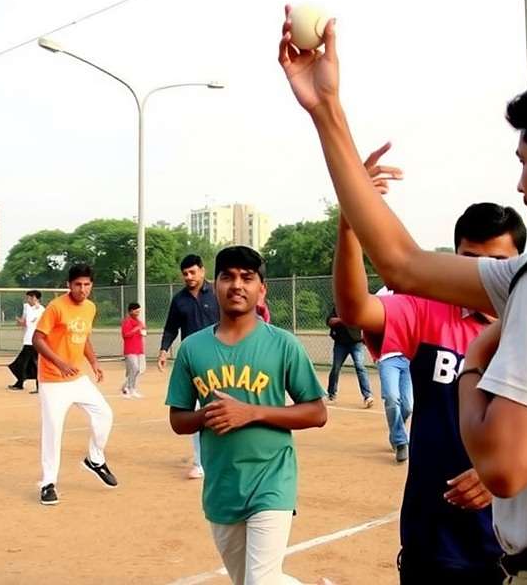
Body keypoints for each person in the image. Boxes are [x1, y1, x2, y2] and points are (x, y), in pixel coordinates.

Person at [280, 14, 527, 582]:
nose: (521, 185)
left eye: (525, 163)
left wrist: (475, 362)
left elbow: (501, 466)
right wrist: (327, 108)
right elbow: (402, 262)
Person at [334, 146, 525, 582]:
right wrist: (350, 223)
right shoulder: (428, 309)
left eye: (497, 263)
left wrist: (499, 473)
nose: (481, 275)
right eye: (468, 260)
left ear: (517, 264)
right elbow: (355, 309)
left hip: (514, 539)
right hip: (433, 537)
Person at [166, 246, 328, 585]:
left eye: (247, 278)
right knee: (246, 581)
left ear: (261, 289)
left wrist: (250, 412)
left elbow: (316, 412)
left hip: (272, 480)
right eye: (228, 276)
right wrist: (208, 415)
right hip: (223, 487)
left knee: (260, 582)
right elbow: (178, 420)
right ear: (216, 284)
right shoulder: (193, 349)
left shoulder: (283, 344)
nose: (237, 285)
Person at [32, 264, 118, 506]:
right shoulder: (56, 307)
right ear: (69, 285)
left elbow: (84, 337)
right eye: (78, 284)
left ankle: (95, 459)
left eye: (87, 284)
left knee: (104, 414)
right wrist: (59, 362)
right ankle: (48, 483)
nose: (83, 289)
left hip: (77, 377)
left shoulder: (90, 308)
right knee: (53, 430)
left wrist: (94, 362)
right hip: (52, 380)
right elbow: (37, 339)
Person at [159, 254, 220, 479]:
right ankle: (200, 462)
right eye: (185, 273)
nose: (189, 277)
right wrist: (164, 350)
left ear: (203, 271)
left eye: (193, 272)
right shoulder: (179, 300)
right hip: (192, 362)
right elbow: (170, 328)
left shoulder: (217, 292)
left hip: (220, 358)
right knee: (195, 410)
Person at [373, 286, 415, 463]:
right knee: (391, 397)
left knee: (408, 406)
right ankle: (400, 442)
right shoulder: (382, 295)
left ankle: (395, 432)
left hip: (411, 357)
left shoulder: (417, 292)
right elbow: (368, 325)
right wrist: (376, 353)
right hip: (388, 356)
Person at [324, 306, 373, 407]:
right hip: (340, 343)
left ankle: (367, 396)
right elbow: (329, 321)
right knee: (335, 368)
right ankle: (331, 394)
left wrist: (365, 337)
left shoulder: (357, 306)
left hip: (356, 342)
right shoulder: (338, 306)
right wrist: (342, 320)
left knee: (360, 367)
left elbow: (365, 321)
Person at [8, 290, 45, 393]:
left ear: (35, 298)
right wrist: (19, 321)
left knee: (32, 363)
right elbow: (24, 323)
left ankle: (37, 386)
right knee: (22, 363)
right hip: (27, 339)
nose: (27, 299)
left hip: (34, 341)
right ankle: (20, 383)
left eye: (29, 297)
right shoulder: (27, 307)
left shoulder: (41, 310)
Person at [121, 302, 148, 399]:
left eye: (138, 311)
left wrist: (142, 330)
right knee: (135, 369)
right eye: (136, 310)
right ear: (131, 311)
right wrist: (136, 329)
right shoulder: (127, 321)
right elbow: (125, 335)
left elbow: (143, 331)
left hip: (138, 349)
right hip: (130, 349)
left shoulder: (139, 321)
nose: (138, 313)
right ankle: (131, 388)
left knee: (135, 370)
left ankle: (126, 387)